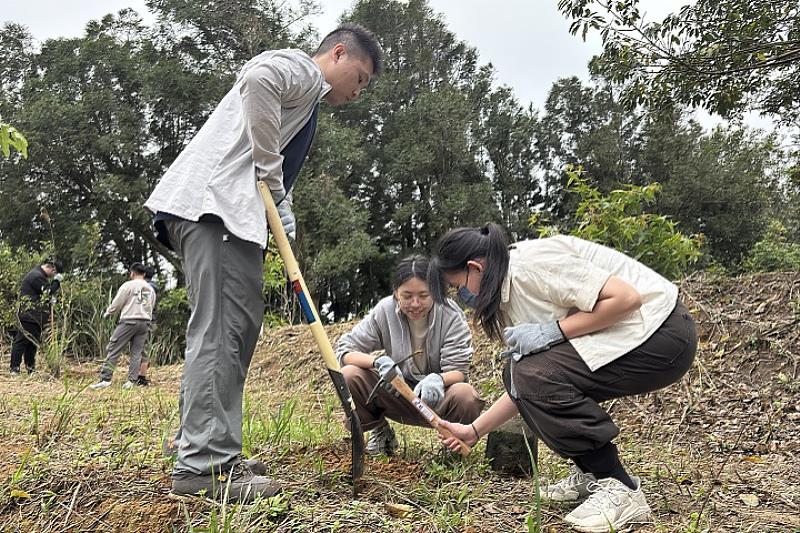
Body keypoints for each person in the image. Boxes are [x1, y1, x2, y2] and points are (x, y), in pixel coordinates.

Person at [144, 24, 383, 501]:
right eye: (360, 77)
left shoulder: (307, 104)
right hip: (215, 212)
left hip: (229, 219)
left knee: (235, 329)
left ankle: (210, 447)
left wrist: (277, 203)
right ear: (338, 54)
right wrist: (272, 180)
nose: (359, 91)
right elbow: (259, 80)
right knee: (222, 331)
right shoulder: (301, 70)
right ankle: (204, 467)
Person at [429, 224, 697, 533]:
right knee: (519, 370)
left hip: (662, 332)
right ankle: (592, 475)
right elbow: (523, 384)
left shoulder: (530, 266)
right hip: (635, 336)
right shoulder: (505, 292)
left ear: (475, 267)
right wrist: (474, 431)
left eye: (457, 285)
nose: (461, 296)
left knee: (529, 371)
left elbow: (626, 299)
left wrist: (552, 331)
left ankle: (620, 488)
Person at [336, 255, 484, 456]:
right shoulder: (385, 310)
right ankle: (380, 433)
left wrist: (438, 380)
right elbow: (345, 350)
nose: (415, 304)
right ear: (396, 293)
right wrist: (377, 362)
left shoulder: (451, 315)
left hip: (437, 400)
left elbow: (458, 370)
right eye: (407, 296)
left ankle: (452, 447)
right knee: (349, 374)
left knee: (466, 396)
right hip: (395, 394)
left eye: (423, 295)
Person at [89, 263, 156, 390]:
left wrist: (108, 313)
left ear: (132, 273)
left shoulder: (128, 286)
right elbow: (151, 306)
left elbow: (117, 303)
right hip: (144, 322)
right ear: (144, 274)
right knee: (137, 352)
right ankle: (131, 381)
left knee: (113, 348)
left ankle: (105, 379)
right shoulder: (149, 288)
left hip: (129, 320)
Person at [9, 260, 62, 375]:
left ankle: (30, 369)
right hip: (29, 315)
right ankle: (14, 368)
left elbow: (42, 295)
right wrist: (56, 282)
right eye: (54, 273)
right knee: (22, 341)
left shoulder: (39, 275)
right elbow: (47, 291)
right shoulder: (36, 276)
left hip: (35, 315)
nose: (53, 275)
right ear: (51, 268)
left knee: (32, 343)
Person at [135, 266, 159, 387]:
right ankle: (140, 375)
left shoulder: (146, 288)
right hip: (151, 320)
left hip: (146, 320)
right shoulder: (154, 286)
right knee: (144, 347)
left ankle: (141, 377)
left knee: (142, 348)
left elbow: (143, 304)